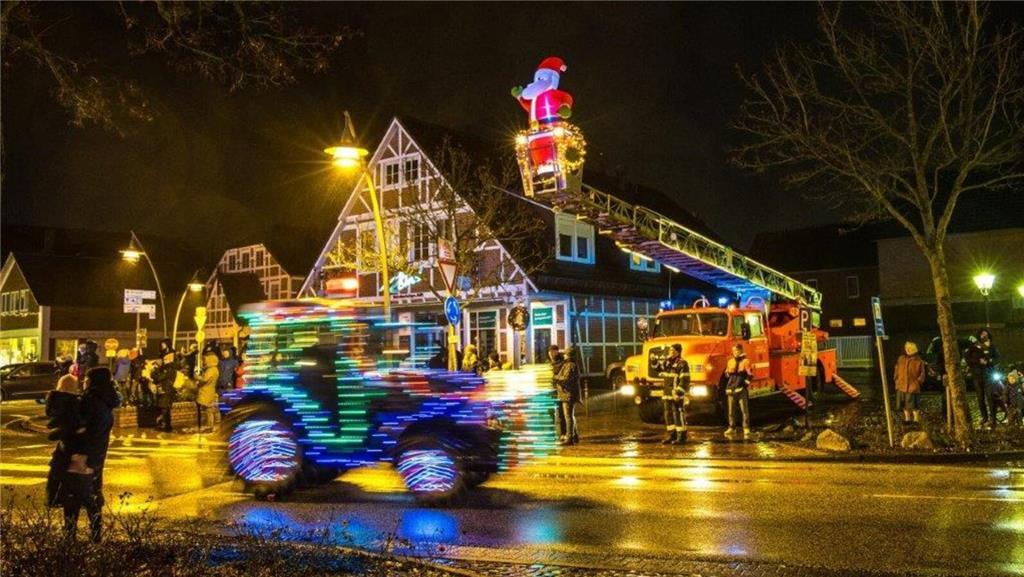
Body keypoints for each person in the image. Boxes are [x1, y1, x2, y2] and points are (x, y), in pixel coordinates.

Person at [66, 367, 119, 542]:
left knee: (74, 495)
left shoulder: (91, 401)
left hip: (82, 454)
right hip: (97, 455)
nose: (84, 382)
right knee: (92, 493)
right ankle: (96, 534)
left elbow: (80, 427)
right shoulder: (106, 402)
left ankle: (70, 535)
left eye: (87, 379)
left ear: (94, 381)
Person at [45, 375, 91, 512]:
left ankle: (57, 499)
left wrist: (55, 432)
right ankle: (70, 501)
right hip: (73, 447)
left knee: (58, 474)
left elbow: (54, 422)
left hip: (64, 447)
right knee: (71, 480)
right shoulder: (74, 403)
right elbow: (73, 424)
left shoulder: (55, 400)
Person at [965, 330, 999, 426]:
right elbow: (967, 358)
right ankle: (984, 417)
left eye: (985, 334)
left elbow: (997, 358)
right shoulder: (973, 347)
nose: (983, 335)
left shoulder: (992, 347)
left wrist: (988, 361)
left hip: (988, 376)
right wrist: (977, 361)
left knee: (990, 397)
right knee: (980, 398)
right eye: (981, 334)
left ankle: (992, 418)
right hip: (977, 376)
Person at [659, 343, 691, 444]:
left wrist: (678, 392)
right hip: (667, 393)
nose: (671, 352)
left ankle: (681, 436)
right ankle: (672, 435)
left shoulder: (682, 364)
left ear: (678, 352)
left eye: (673, 351)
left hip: (676, 393)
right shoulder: (667, 363)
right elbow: (657, 369)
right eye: (670, 351)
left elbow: (685, 380)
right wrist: (654, 360)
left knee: (678, 414)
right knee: (668, 414)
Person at [553, 346, 581, 445]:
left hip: (567, 394)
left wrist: (555, 377)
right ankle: (574, 436)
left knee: (568, 417)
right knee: (570, 416)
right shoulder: (570, 364)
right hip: (567, 393)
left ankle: (569, 438)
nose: (563, 355)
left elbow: (565, 379)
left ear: (568, 355)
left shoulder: (570, 365)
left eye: (565, 354)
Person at [724, 344, 752, 438]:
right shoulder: (730, 361)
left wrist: (744, 385)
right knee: (731, 411)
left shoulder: (746, 361)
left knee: (744, 410)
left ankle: (746, 428)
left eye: (736, 350)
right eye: (733, 351)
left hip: (741, 390)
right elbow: (727, 374)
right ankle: (732, 427)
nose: (735, 352)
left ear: (741, 350)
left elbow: (750, 375)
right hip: (731, 389)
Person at [894, 341, 927, 424]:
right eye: (907, 348)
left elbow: (922, 374)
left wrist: (917, 382)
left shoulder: (918, 361)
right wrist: (897, 380)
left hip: (912, 386)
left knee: (914, 405)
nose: (908, 350)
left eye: (910, 349)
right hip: (901, 385)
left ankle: (916, 420)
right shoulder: (901, 359)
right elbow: (897, 369)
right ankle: (907, 419)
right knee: (904, 405)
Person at [151, 351, 179, 432]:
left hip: (166, 390)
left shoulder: (169, 369)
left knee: (164, 408)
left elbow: (159, 378)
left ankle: (165, 425)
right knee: (166, 408)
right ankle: (167, 426)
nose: (164, 361)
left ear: (169, 360)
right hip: (168, 390)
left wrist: (154, 371)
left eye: (165, 360)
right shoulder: (170, 368)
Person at [196, 351, 220, 431]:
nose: (204, 361)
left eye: (205, 359)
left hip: (207, 391)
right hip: (210, 390)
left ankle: (210, 426)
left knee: (209, 410)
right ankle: (210, 425)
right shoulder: (214, 369)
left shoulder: (211, 370)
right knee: (209, 409)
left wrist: (196, 377)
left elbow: (204, 379)